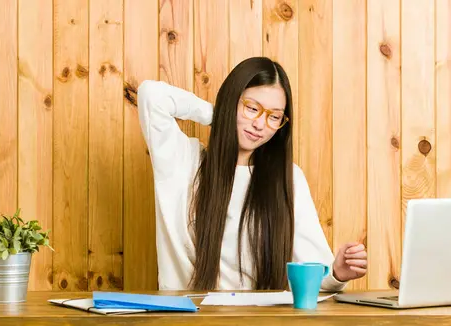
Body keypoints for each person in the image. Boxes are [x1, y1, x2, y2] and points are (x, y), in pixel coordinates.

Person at [137, 56, 367, 291]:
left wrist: (338, 274)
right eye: (252, 108)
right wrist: (222, 116)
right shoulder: (182, 162)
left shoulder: (288, 178)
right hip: (187, 319)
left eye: (274, 116)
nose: (260, 124)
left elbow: (316, 272)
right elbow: (151, 95)